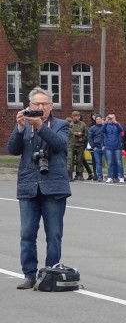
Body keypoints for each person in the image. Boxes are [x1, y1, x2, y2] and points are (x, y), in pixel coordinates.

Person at [7, 87, 71, 289]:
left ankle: (49, 273)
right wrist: (19, 128)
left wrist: (41, 126)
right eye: (36, 104)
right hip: (28, 186)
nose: (40, 107)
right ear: (29, 106)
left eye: (44, 104)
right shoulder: (24, 126)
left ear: (51, 106)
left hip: (53, 187)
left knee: (53, 234)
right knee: (27, 233)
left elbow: (59, 144)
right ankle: (29, 274)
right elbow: (12, 149)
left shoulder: (61, 125)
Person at [66, 110, 90, 180]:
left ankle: (79, 174)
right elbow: (69, 132)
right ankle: (70, 174)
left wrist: (82, 138)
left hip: (80, 144)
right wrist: (76, 133)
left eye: (78, 116)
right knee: (71, 159)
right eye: (75, 116)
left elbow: (86, 133)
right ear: (72, 117)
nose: (77, 118)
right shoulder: (70, 124)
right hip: (71, 144)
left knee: (80, 160)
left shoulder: (83, 124)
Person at [101, 113, 125, 183]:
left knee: (119, 162)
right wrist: (106, 122)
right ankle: (110, 177)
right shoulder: (106, 125)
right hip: (108, 146)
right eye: (109, 118)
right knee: (109, 163)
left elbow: (120, 130)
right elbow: (102, 130)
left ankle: (121, 177)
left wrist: (115, 122)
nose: (111, 119)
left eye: (112, 118)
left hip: (117, 146)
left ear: (115, 118)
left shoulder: (117, 125)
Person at [87, 114, 105, 181]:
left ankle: (110, 176)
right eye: (97, 119)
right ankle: (100, 176)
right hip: (96, 147)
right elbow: (90, 137)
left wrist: (105, 145)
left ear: (101, 119)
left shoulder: (104, 127)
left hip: (104, 147)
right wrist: (93, 146)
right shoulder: (92, 128)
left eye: (99, 119)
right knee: (98, 162)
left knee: (109, 162)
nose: (98, 120)